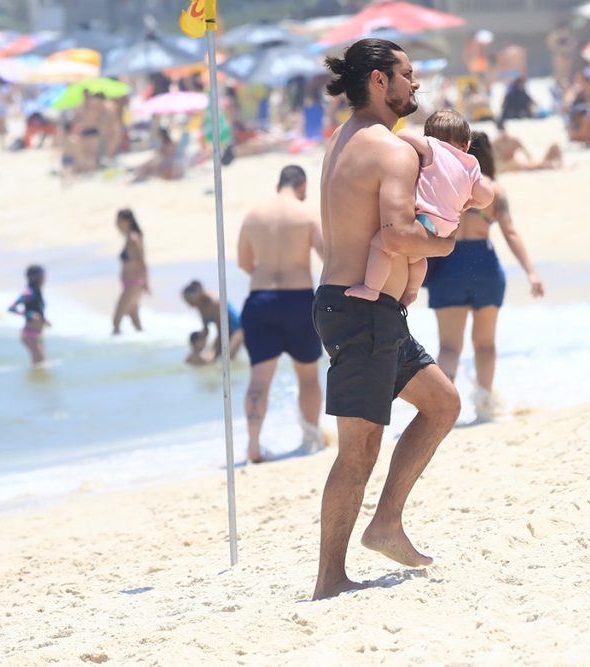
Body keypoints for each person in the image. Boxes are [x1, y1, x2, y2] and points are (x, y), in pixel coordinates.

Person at [312, 38, 461, 600]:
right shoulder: (389, 148)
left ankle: (387, 523)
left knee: (442, 403)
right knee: (358, 451)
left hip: (370, 312)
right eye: (407, 74)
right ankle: (330, 578)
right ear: (379, 80)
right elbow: (399, 234)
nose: (415, 85)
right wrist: (448, 240)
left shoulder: (345, 138)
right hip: (361, 313)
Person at [426, 131, 544, 421]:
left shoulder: (444, 186)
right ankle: (484, 405)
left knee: (450, 347)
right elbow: (510, 232)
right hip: (485, 267)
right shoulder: (494, 190)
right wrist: (531, 272)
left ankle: (442, 410)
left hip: (448, 263)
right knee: (486, 343)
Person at [345, 109, 494, 305]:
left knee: (381, 245)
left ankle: (370, 288)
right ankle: (412, 290)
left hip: (425, 219)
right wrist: (471, 202)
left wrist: (425, 143)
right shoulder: (471, 163)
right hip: (447, 226)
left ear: (429, 136)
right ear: (466, 145)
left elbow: (402, 134)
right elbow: (487, 196)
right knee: (417, 257)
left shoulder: (433, 147)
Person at [237, 165, 325, 463]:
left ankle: (253, 445)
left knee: (259, 379)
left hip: (260, 300)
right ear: (302, 187)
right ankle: (311, 438)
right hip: (298, 300)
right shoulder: (306, 214)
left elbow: (244, 263)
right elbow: (327, 255)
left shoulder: (253, 215)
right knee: (309, 376)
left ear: (278, 185)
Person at [181, 280, 244, 361]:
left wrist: (213, 351)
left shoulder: (214, 302)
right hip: (226, 331)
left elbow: (221, 330)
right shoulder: (200, 305)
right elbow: (206, 330)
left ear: (197, 295)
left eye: (190, 301)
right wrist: (196, 350)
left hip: (239, 329)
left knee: (228, 357)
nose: (189, 305)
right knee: (216, 358)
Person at [113, 208, 148, 335]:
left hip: (134, 284)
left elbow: (142, 261)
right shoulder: (128, 238)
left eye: (118, 221)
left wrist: (145, 283)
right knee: (135, 322)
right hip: (129, 284)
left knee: (116, 320)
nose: (116, 224)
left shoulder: (133, 239)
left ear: (126, 221)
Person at [8, 265, 50, 366]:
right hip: (29, 334)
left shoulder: (37, 292)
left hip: (38, 333)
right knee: (41, 362)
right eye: (42, 276)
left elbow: (38, 310)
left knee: (40, 363)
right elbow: (12, 308)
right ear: (36, 277)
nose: (45, 278)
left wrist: (44, 320)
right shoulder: (28, 292)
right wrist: (29, 314)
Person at [492, 119, 562, 172]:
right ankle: (552, 164)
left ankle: (552, 164)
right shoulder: (498, 142)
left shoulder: (510, 140)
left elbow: (527, 154)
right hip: (510, 165)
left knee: (537, 164)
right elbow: (527, 154)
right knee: (536, 165)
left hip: (513, 164)